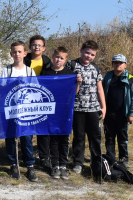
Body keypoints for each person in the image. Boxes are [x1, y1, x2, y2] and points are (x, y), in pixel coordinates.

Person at [40, 47, 82, 180]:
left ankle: (63, 165)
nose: (59, 60)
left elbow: (74, 93)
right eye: (57, 57)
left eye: (62, 58)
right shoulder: (45, 72)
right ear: (53, 56)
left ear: (65, 60)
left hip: (64, 111)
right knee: (53, 139)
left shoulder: (69, 73)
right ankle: (55, 165)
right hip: (50, 111)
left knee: (64, 139)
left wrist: (78, 83)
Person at [0, 41, 38, 182]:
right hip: (10, 109)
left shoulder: (29, 71)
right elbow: (1, 89)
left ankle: (30, 165)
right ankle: (13, 164)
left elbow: (36, 90)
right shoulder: (7, 70)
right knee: (10, 137)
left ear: (25, 53)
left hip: (26, 110)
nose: (17, 54)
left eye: (19, 51)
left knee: (27, 138)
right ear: (11, 54)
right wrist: (12, 83)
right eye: (14, 52)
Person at [71, 40, 106, 180]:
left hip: (93, 108)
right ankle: (78, 163)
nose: (89, 56)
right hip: (77, 108)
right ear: (81, 50)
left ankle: (96, 162)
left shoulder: (96, 68)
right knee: (79, 137)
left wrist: (103, 107)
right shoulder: (71, 65)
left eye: (92, 55)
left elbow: (100, 89)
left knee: (95, 137)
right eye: (87, 53)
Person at [102, 54, 133, 168]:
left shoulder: (130, 78)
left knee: (122, 138)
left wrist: (132, 113)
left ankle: (123, 159)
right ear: (112, 64)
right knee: (109, 137)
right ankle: (110, 158)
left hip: (123, 114)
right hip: (109, 114)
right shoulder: (108, 76)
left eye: (120, 63)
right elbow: (101, 92)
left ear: (125, 65)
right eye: (115, 62)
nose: (117, 65)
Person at [24, 35, 53, 172]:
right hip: (26, 98)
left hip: (41, 98)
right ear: (30, 47)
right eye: (34, 45)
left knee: (43, 129)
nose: (36, 47)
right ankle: (27, 156)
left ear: (44, 48)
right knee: (27, 129)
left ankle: (44, 157)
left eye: (39, 45)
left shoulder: (47, 61)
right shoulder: (24, 59)